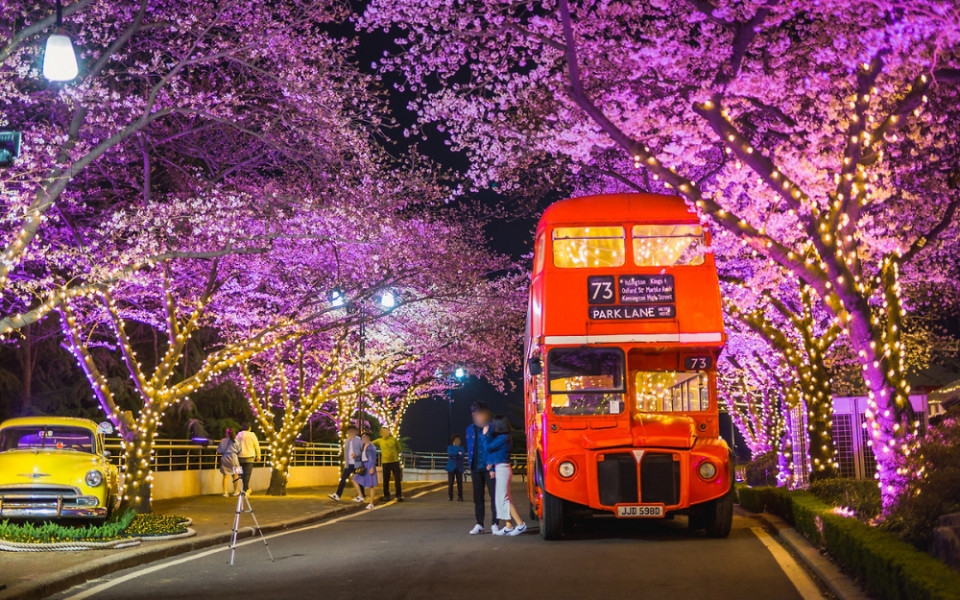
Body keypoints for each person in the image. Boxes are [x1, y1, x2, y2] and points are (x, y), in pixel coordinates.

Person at [485, 414, 527, 536]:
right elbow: (495, 453)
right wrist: (492, 464)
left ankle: (520, 524)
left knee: (504, 499)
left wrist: (485, 435)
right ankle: (509, 525)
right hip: (501, 468)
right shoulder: (504, 437)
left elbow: (489, 447)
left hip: (503, 469)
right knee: (502, 498)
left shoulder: (503, 437)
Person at [465, 401, 498, 534]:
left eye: (480, 413)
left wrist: (494, 464)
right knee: (477, 497)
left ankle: (495, 523)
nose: (477, 416)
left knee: (494, 496)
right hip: (475, 467)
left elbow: (496, 447)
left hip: (489, 467)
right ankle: (479, 524)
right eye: (475, 414)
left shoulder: (492, 428)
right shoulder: (469, 430)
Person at [328, 425, 365, 502]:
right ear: (348, 432)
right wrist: (346, 463)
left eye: (352, 431)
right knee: (343, 479)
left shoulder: (359, 441)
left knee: (359, 480)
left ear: (355, 432)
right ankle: (338, 495)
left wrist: (357, 455)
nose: (351, 432)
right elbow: (346, 453)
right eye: (349, 431)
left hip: (357, 463)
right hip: (349, 464)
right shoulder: (347, 441)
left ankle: (362, 495)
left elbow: (363, 451)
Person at [372, 426, 403, 502]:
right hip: (385, 462)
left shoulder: (393, 439)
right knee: (386, 480)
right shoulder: (379, 441)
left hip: (395, 461)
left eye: (386, 431)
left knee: (397, 480)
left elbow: (399, 448)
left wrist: (395, 454)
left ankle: (398, 495)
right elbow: (370, 444)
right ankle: (386, 496)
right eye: (383, 431)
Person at [352, 431, 379, 510]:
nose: (363, 439)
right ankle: (360, 496)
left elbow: (373, 458)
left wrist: (371, 468)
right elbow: (361, 457)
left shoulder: (371, 447)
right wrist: (355, 457)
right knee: (354, 479)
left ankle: (371, 503)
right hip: (364, 466)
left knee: (371, 485)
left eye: (364, 437)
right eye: (362, 437)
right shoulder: (364, 446)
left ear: (367, 438)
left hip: (369, 466)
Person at [236, 422, 261, 494]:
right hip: (250, 457)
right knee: (247, 474)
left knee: (239, 474)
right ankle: (246, 489)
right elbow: (257, 446)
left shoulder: (238, 435)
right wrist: (258, 456)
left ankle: (239, 489)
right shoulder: (252, 435)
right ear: (249, 428)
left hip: (239, 457)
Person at [216, 428, 240, 497]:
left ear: (227, 433)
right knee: (236, 475)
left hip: (225, 458)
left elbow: (219, 450)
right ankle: (235, 491)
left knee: (225, 476)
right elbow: (239, 450)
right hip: (234, 458)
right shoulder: (236, 441)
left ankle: (225, 492)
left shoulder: (223, 441)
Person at [446, 435, 465, 501]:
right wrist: (458, 453)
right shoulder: (450, 447)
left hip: (459, 467)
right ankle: (450, 496)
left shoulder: (461, 448)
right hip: (451, 467)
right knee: (451, 482)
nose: (458, 441)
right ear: (453, 441)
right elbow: (450, 454)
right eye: (457, 440)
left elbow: (462, 455)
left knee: (460, 483)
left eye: (459, 440)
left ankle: (460, 497)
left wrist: (455, 455)